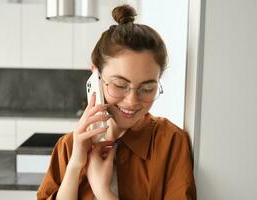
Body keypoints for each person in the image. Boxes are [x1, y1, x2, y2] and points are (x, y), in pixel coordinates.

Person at [37, 4, 196, 200]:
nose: (132, 101)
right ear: (95, 76)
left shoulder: (170, 143)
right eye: (120, 85)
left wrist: (103, 192)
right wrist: (75, 166)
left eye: (147, 89)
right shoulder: (69, 146)